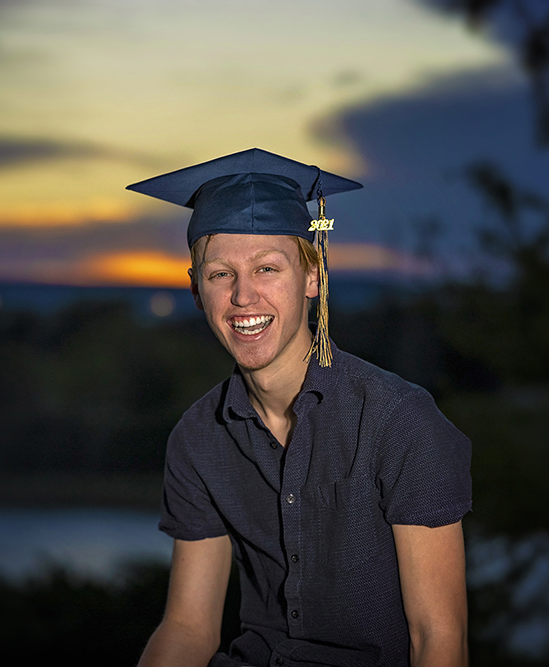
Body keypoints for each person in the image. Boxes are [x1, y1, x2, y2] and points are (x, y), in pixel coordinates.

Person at [127, 148, 471, 667]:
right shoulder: (199, 437)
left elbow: (438, 640)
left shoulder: (399, 423)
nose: (244, 296)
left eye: (267, 268)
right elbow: (188, 627)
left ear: (313, 277)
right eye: (220, 274)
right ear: (196, 288)